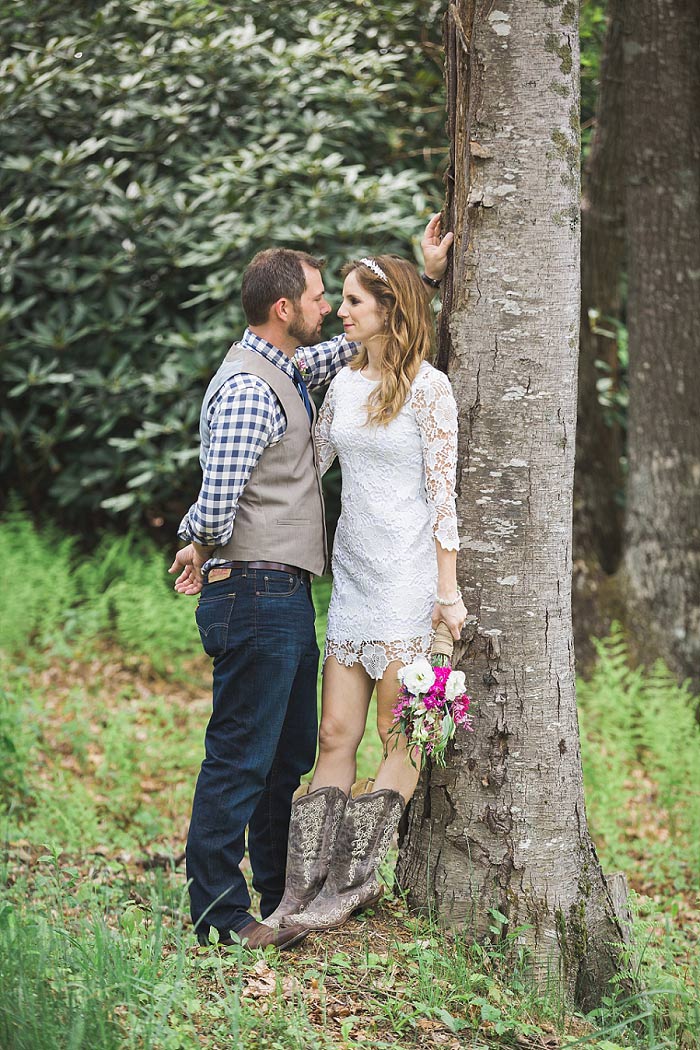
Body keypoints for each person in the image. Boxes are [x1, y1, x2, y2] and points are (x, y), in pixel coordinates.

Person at [169, 219, 452, 950]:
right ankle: (227, 913)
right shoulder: (256, 387)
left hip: (321, 587)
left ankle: (295, 891)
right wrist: (195, 539)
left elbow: (371, 342)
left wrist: (422, 282)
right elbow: (227, 489)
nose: (333, 310)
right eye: (325, 298)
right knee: (260, 751)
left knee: (292, 751)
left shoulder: (298, 370)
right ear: (283, 309)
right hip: (268, 587)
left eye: (348, 299)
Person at [265, 250, 466, 933]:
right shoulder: (343, 385)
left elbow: (444, 498)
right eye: (341, 300)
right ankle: (301, 889)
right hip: (353, 581)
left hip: (409, 583)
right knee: (334, 733)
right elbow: (308, 465)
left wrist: (448, 594)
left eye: (353, 301)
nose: (341, 312)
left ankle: (349, 887)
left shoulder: (431, 389)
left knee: (401, 732)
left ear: (389, 310)